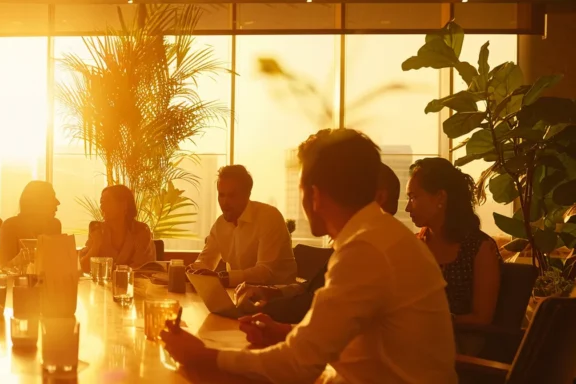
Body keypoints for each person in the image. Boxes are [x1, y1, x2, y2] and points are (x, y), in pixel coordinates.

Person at [160, 129, 457, 384]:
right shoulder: (380, 235)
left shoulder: (366, 249)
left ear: (313, 195)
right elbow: (364, 336)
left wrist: (206, 355)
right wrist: (287, 331)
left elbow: (298, 366)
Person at [233, 162, 402, 318]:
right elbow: (313, 289)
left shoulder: (372, 248)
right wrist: (272, 292)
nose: (315, 204)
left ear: (379, 198)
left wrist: (262, 310)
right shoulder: (361, 238)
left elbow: (318, 309)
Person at [407, 157, 501, 326]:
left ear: (440, 197)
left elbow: (482, 318)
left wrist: (435, 322)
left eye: (413, 197)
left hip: (464, 339)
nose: (407, 207)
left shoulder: (479, 248)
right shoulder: (415, 245)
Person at [187, 165, 297, 287]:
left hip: (280, 298)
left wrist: (223, 278)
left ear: (247, 194)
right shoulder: (220, 224)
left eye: (232, 196)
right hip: (241, 296)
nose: (224, 202)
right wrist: (189, 271)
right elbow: (205, 261)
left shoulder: (269, 217)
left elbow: (265, 272)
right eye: (221, 195)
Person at [80, 185, 156, 270]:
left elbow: (140, 268)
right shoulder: (98, 229)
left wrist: (109, 269)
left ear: (124, 205)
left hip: (134, 282)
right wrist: (96, 245)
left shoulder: (140, 231)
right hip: (103, 283)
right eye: (102, 203)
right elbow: (85, 267)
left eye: (107, 202)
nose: (102, 207)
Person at [0, 181, 63, 269]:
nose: (58, 202)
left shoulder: (54, 225)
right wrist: (17, 261)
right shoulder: (10, 226)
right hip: (19, 282)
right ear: (38, 201)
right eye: (51, 197)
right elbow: (3, 268)